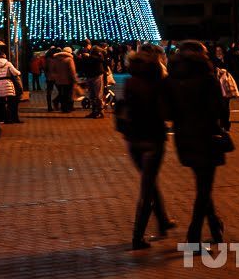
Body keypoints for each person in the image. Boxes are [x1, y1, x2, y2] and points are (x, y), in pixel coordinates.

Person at [167, 40, 226, 246]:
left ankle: (216, 227)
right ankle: (193, 236)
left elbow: (168, 110)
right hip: (206, 137)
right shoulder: (207, 78)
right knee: (204, 188)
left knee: (203, 185)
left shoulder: (173, 79)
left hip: (184, 138)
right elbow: (218, 108)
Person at [119, 48, 175, 249]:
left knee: (149, 181)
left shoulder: (129, 82)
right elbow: (167, 113)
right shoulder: (158, 85)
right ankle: (137, 236)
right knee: (147, 187)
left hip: (134, 140)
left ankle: (162, 220)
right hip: (153, 139)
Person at [0, 49, 23, 123]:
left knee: (2, 103)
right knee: (11, 102)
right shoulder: (8, 63)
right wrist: (19, 72)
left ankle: (4, 118)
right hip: (8, 83)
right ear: (4, 56)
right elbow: (15, 73)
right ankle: (12, 118)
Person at [76, 44, 107, 118]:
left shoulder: (97, 58)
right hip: (92, 76)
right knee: (93, 95)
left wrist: (85, 58)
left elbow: (98, 60)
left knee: (97, 95)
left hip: (96, 76)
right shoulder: (91, 58)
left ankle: (99, 111)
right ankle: (95, 111)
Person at [50, 46, 77, 113]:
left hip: (58, 80)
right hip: (68, 80)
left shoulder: (56, 59)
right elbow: (72, 71)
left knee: (62, 94)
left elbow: (53, 70)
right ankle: (67, 108)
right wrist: (74, 79)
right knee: (68, 94)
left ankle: (63, 107)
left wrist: (56, 77)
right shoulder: (69, 60)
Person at [215, 62, 239, 132]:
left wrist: (225, 72)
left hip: (226, 88)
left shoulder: (228, 59)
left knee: (225, 107)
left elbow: (235, 70)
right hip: (218, 89)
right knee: (221, 107)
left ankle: (225, 124)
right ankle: (222, 124)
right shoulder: (212, 60)